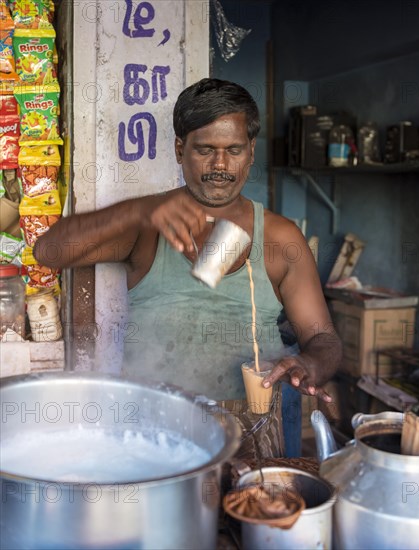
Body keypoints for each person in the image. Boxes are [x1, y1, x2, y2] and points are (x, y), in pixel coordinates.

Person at [34, 78, 342, 459]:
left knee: (258, 516)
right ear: (180, 150)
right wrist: (139, 209)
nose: (220, 165)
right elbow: (48, 251)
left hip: (255, 430)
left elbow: (324, 339)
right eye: (205, 150)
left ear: (250, 153)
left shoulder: (281, 239)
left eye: (234, 150)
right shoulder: (149, 224)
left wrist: (310, 363)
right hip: (156, 429)